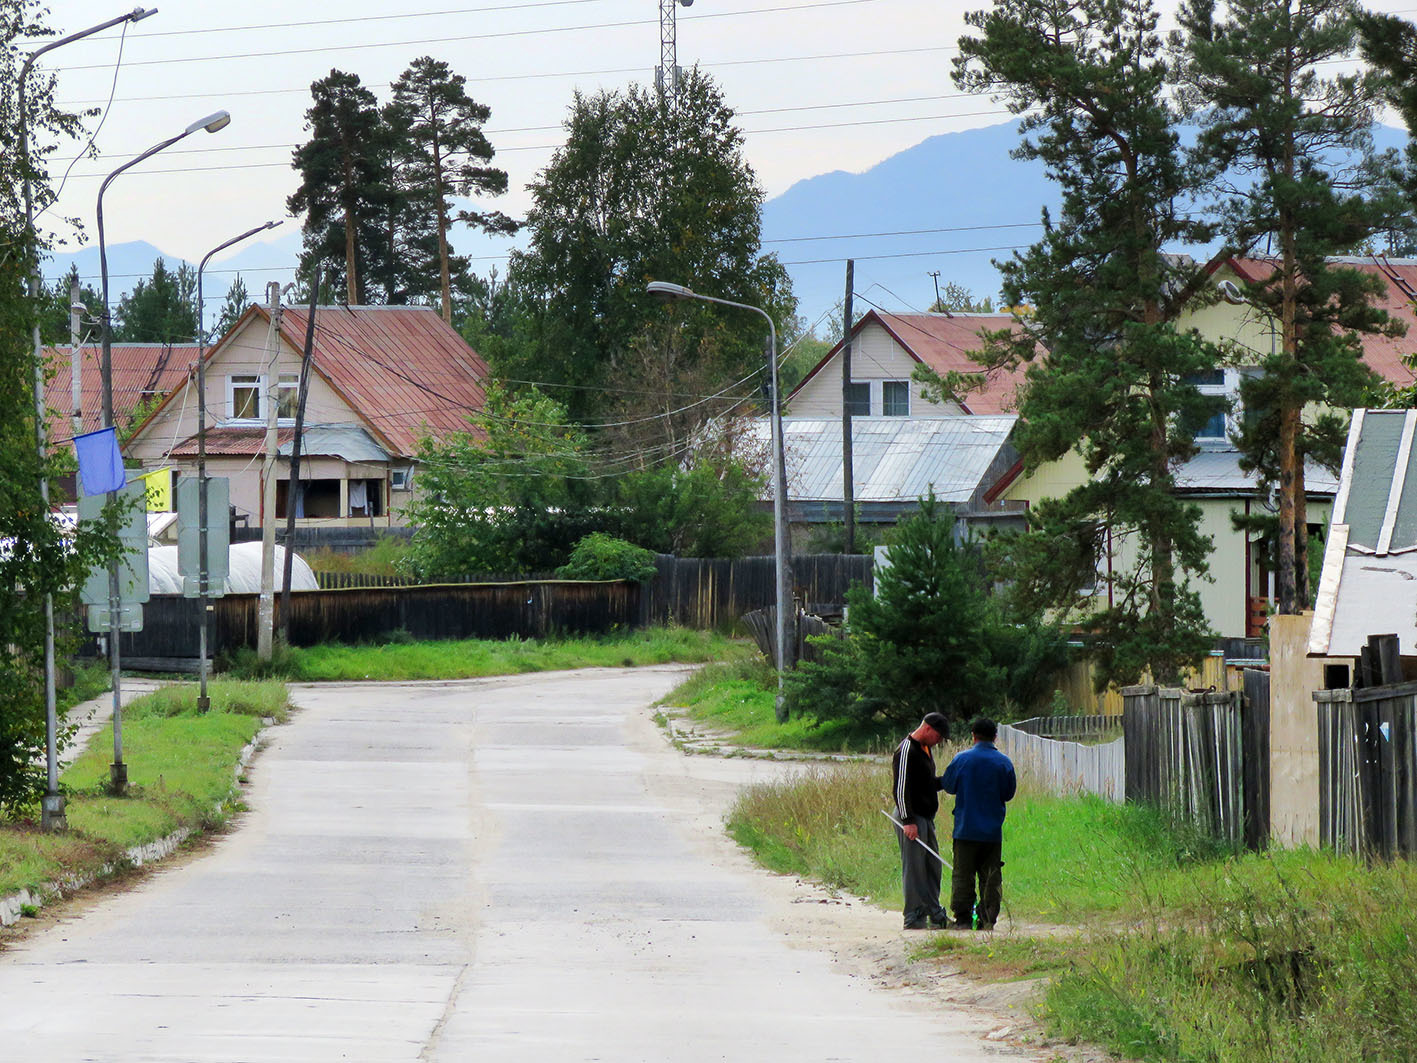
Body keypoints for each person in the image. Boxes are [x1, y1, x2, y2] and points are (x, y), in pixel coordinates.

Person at [941, 716, 1016, 930]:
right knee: (991, 876)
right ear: (995, 737)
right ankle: (987, 919)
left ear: (973, 735)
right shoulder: (1004, 762)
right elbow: (1009, 794)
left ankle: (963, 919)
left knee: (963, 874)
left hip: (965, 829)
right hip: (992, 831)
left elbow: (948, 786)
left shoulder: (961, 759)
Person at [891, 712, 951, 930]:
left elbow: (926, 784)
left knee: (932, 865)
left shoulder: (926, 750)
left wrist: (947, 781)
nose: (940, 740)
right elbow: (900, 789)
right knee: (915, 867)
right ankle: (914, 916)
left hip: (926, 817)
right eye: (939, 736)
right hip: (911, 817)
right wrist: (908, 821)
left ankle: (934, 913)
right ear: (927, 729)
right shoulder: (907, 749)